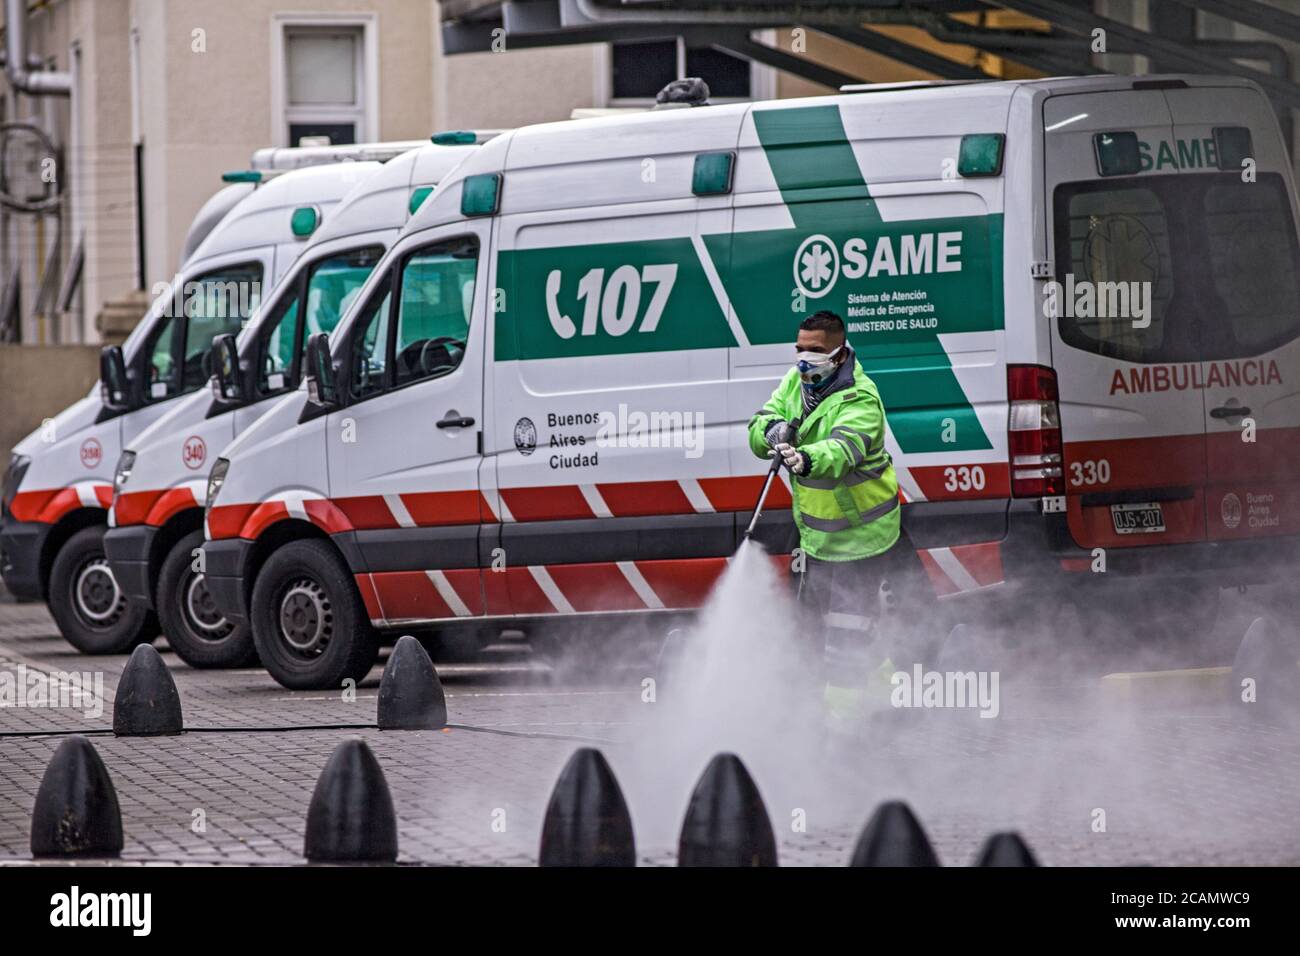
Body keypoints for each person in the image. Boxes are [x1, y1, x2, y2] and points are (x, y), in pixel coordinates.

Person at [747, 310, 915, 724]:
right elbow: (759, 421)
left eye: (816, 351)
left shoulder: (861, 398)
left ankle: (842, 727)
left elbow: (842, 451)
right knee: (817, 631)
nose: (805, 359)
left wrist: (804, 459)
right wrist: (771, 433)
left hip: (862, 537)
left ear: (839, 354)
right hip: (818, 538)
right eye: (800, 349)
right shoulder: (795, 383)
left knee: (846, 633)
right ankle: (875, 689)